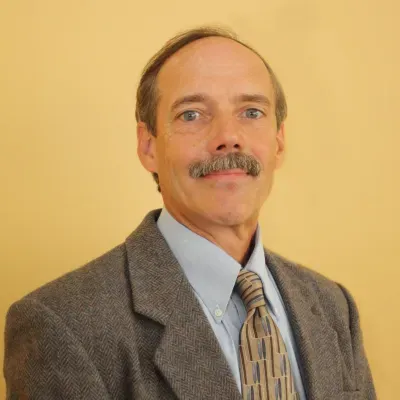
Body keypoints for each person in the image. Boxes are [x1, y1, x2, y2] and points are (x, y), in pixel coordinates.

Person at [4, 26, 376, 400]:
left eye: (251, 112)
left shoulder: (333, 307)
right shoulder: (63, 326)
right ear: (148, 146)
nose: (228, 137)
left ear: (278, 141)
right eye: (192, 114)